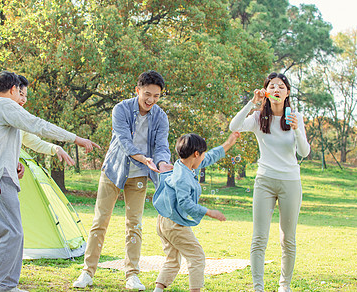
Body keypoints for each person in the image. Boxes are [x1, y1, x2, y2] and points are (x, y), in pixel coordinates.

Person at [0, 71, 99, 292]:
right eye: (21, 93)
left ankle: (7, 286)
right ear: (12, 90)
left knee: (15, 234)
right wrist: (75, 138)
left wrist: (13, 161)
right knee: (10, 235)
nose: (23, 99)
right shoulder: (3, 105)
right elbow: (37, 125)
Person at [73, 70, 173, 290]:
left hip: (139, 175)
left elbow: (162, 146)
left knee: (134, 225)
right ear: (137, 90)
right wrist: (143, 158)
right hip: (113, 171)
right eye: (147, 94)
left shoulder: (160, 116)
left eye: (156, 96)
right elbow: (124, 141)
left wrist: (163, 163)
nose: (151, 100)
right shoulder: (120, 109)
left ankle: (132, 275)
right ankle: (87, 272)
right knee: (100, 222)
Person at [229, 72, 310, 292]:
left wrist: (297, 130)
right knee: (259, 237)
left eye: (281, 86)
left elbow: (304, 152)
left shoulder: (297, 118)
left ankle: (284, 286)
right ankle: (258, 288)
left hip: (290, 182)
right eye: (272, 86)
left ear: (288, 93)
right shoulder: (258, 118)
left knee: (288, 238)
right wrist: (251, 103)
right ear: (266, 92)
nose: (276, 90)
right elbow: (233, 126)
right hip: (264, 181)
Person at [151, 132, 240, 292]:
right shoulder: (182, 177)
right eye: (202, 153)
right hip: (174, 224)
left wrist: (228, 143)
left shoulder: (184, 165)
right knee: (197, 256)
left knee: (173, 259)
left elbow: (211, 156)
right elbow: (185, 203)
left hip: (164, 220)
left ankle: (158, 289)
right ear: (196, 153)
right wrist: (209, 212)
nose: (204, 157)